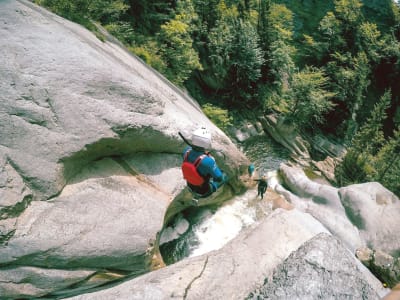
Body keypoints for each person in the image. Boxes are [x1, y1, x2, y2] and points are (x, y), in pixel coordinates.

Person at [181, 127, 227, 203]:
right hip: (204, 191)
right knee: (224, 175)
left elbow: (194, 160)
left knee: (203, 172)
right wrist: (212, 162)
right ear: (206, 143)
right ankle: (213, 187)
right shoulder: (208, 161)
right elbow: (219, 179)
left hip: (190, 185)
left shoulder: (186, 151)